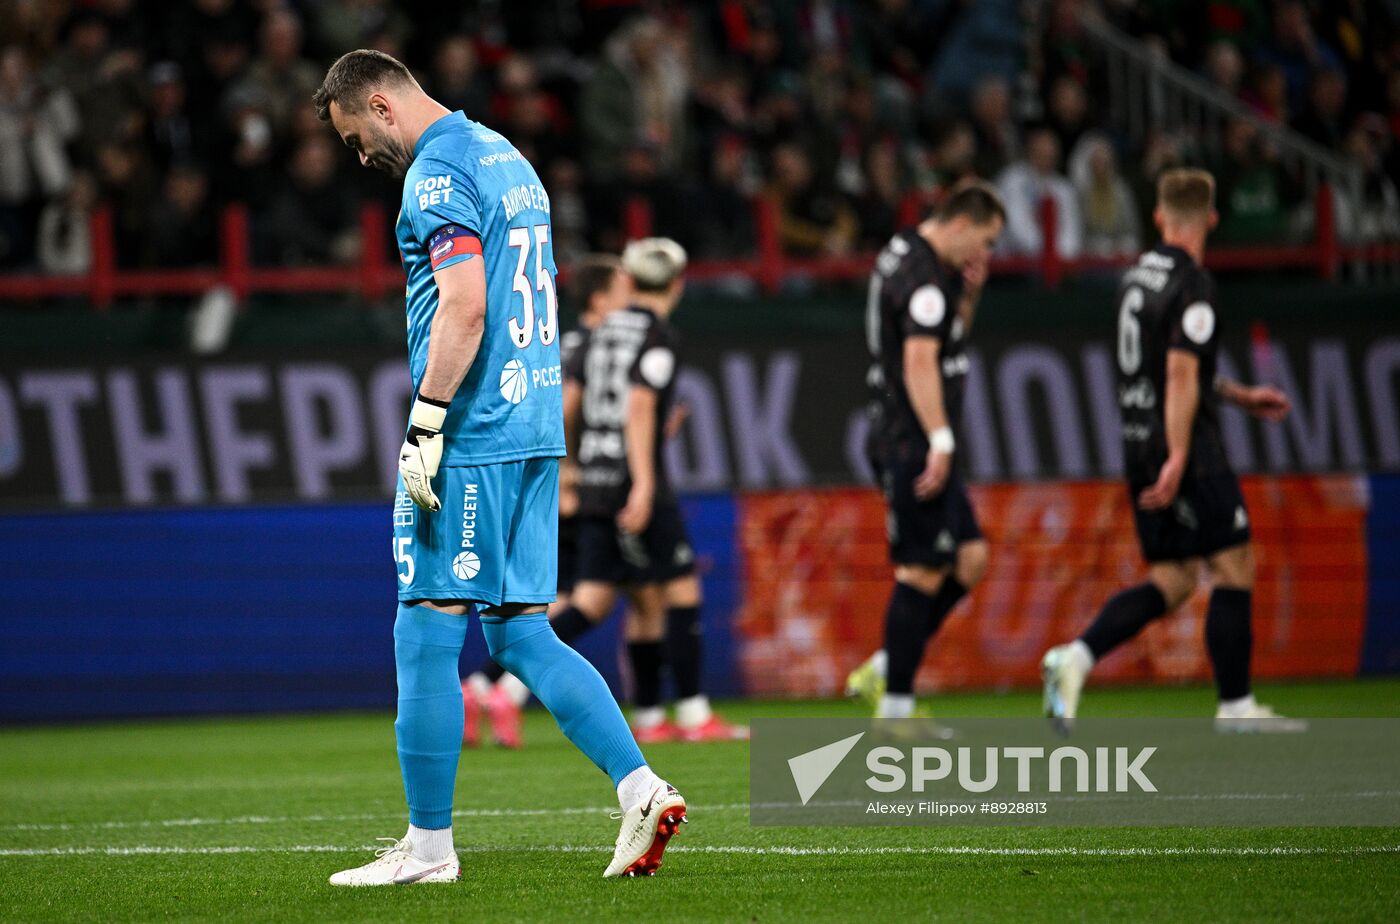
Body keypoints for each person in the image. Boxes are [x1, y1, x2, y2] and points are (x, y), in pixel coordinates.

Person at [313, 49, 685, 885]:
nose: (360, 156)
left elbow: (468, 303)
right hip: (534, 423)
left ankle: (429, 848)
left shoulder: (437, 174)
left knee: (425, 622)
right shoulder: (507, 157)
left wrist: (428, 424)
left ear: (379, 103)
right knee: (519, 630)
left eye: (354, 137)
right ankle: (640, 787)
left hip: (474, 431)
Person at [1041, 168, 1305, 734]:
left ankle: (1076, 658)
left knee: (1176, 579)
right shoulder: (1194, 284)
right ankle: (1236, 707)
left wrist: (1237, 395)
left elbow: (1168, 371)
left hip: (1138, 443)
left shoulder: (1134, 278)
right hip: (1183, 449)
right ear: (1210, 219)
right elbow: (1181, 376)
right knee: (1235, 563)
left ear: (1160, 217)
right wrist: (1181, 454)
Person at [565, 237, 745, 743]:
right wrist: (644, 484)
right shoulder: (657, 334)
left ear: (630, 279)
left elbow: (569, 404)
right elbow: (640, 405)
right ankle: (693, 715)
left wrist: (569, 467)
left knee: (613, 597)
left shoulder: (599, 333)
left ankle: (647, 718)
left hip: (595, 476)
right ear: (678, 284)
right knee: (680, 586)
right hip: (631, 479)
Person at [458, 254, 633, 749]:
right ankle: (504, 691)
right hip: (572, 485)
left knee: (559, 600)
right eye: (623, 289)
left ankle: (481, 687)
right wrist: (569, 470)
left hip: (539, 475)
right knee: (582, 599)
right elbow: (564, 407)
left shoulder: (561, 342)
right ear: (600, 299)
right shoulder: (591, 346)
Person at [844, 183, 1005, 720]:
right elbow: (919, 362)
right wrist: (939, 438)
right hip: (910, 438)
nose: (984, 255)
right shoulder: (924, 278)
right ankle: (895, 706)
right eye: (984, 241)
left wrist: (974, 295)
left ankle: (890, 666)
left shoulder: (910, 255)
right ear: (960, 224)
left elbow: (947, 343)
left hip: (913, 433)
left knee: (970, 557)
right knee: (921, 571)